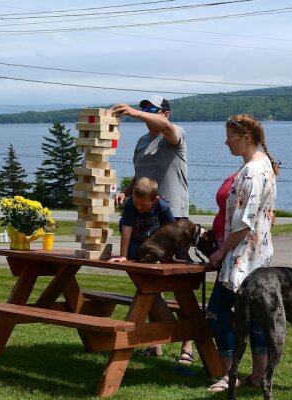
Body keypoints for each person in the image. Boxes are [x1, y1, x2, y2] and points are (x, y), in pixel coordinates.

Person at [110, 96, 193, 363]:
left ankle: (188, 347)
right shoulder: (142, 142)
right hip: (145, 222)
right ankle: (156, 342)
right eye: (143, 107)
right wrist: (126, 192)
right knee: (148, 283)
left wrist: (135, 113)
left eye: (151, 109)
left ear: (165, 114)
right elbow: (140, 175)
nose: (145, 113)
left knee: (180, 286)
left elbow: (166, 127)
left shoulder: (174, 134)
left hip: (173, 221)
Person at [205, 113, 279, 393]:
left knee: (216, 312)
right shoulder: (266, 167)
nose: (226, 142)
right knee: (256, 315)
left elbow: (245, 222)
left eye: (230, 137)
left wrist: (221, 250)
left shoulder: (250, 172)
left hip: (242, 259)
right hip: (260, 255)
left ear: (246, 138)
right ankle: (258, 376)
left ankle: (228, 374)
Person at [108, 177, 174, 262]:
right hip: (134, 238)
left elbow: (172, 230)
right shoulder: (130, 204)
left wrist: (171, 253)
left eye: (144, 205)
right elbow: (126, 231)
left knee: (158, 254)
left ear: (155, 200)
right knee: (134, 254)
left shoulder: (162, 207)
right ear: (133, 196)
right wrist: (123, 256)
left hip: (152, 239)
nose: (139, 207)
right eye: (136, 203)